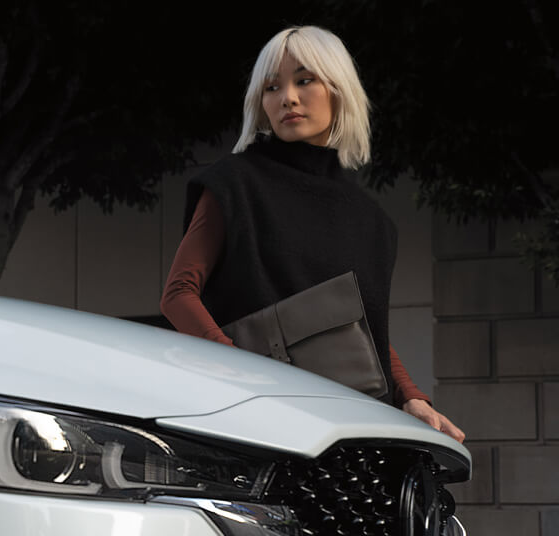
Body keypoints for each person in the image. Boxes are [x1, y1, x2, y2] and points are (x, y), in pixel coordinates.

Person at [160, 25, 464, 443]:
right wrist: (242, 377)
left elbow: (369, 331)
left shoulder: (371, 222)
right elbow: (178, 294)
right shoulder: (234, 183)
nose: (287, 97)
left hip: (341, 426)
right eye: (271, 87)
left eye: (305, 80)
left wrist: (412, 397)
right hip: (248, 421)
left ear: (339, 89)